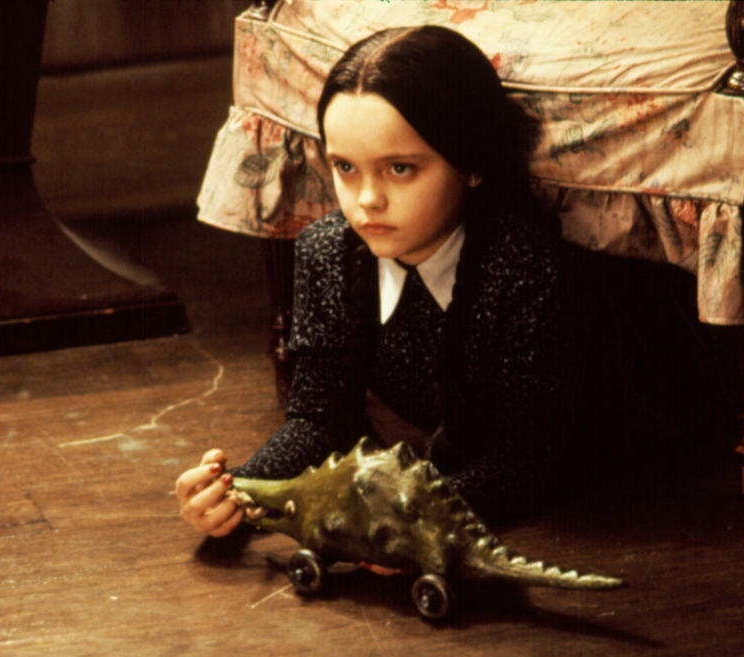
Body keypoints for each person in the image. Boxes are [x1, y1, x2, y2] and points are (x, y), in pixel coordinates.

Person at [176, 25, 595, 544]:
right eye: (346, 168)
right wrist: (241, 493)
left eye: (400, 168)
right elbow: (318, 420)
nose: (367, 199)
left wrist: (408, 518)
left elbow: (529, 459)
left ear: (472, 164)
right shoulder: (327, 251)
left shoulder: (525, 267)